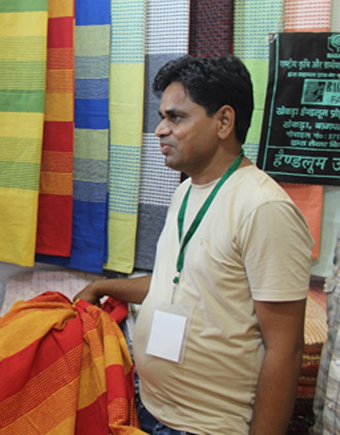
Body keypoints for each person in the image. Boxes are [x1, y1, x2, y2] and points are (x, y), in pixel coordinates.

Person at [76, 55, 312, 434]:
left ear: (224, 122)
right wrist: (101, 286)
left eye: (176, 117)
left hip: (208, 427)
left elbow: (285, 349)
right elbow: (177, 282)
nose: (159, 130)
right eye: (162, 117)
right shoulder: (186, 191)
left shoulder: (263, 208)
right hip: (151, 409)